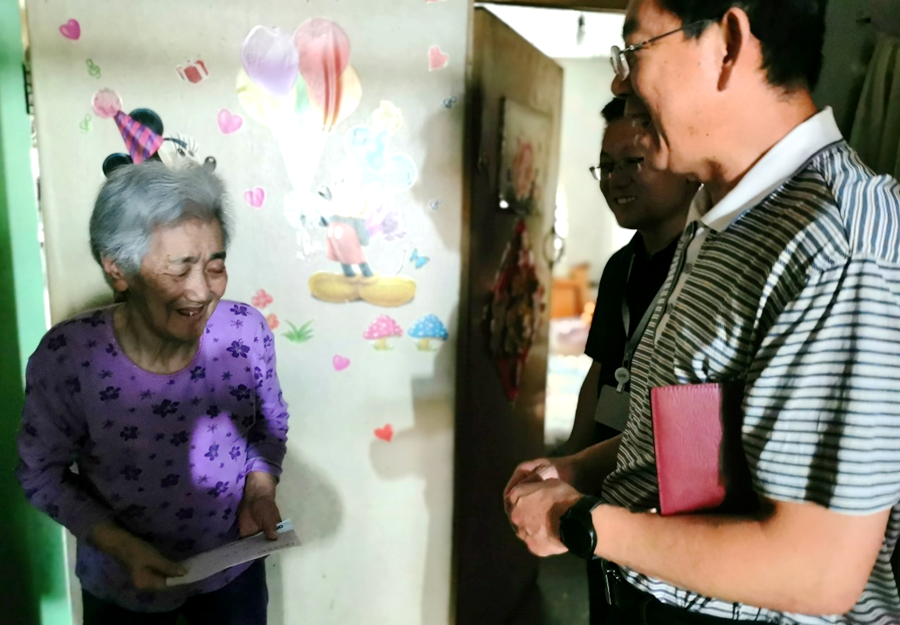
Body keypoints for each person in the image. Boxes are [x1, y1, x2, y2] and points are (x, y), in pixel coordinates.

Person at [505, 1, 900, 623]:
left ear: (728, 45)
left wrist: (579, 522)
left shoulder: (836, 242)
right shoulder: (722, 219)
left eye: (635, 51)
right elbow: (705, 432)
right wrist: (581, 467)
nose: (620, 84)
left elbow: (817, 573)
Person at [16, 161, 290, 624]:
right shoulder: (69, 358)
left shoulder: (245, 332)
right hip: (123, 585)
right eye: (179, 269)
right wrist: (119, 545)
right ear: (117, 269)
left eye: (215, 265)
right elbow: (40, 472)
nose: (202, 291)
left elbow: (269, 423)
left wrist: (260, 491)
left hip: (232, 574)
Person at [557, 97, 696, 624]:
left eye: (632, 162)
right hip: (608, 484)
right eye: (606, 166)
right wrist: (573, 462)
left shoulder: (708, 267)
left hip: (670, 501)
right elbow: (601, 370)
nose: (616, 180)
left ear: (683, 165)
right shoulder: (621, 266)